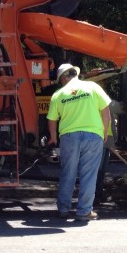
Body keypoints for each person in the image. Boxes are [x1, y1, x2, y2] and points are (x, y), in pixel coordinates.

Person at [46, 63, 112, 221]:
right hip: (93, 136)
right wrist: (104, 132)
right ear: (74, 73)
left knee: (68, 173)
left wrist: (54, 138)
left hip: (69, 137)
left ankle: (63, 209)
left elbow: (51, 120)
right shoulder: (92, 87)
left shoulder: (58, 95)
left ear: (63, 78)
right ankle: (84, 211)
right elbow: (105, 111)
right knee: (88, 175)